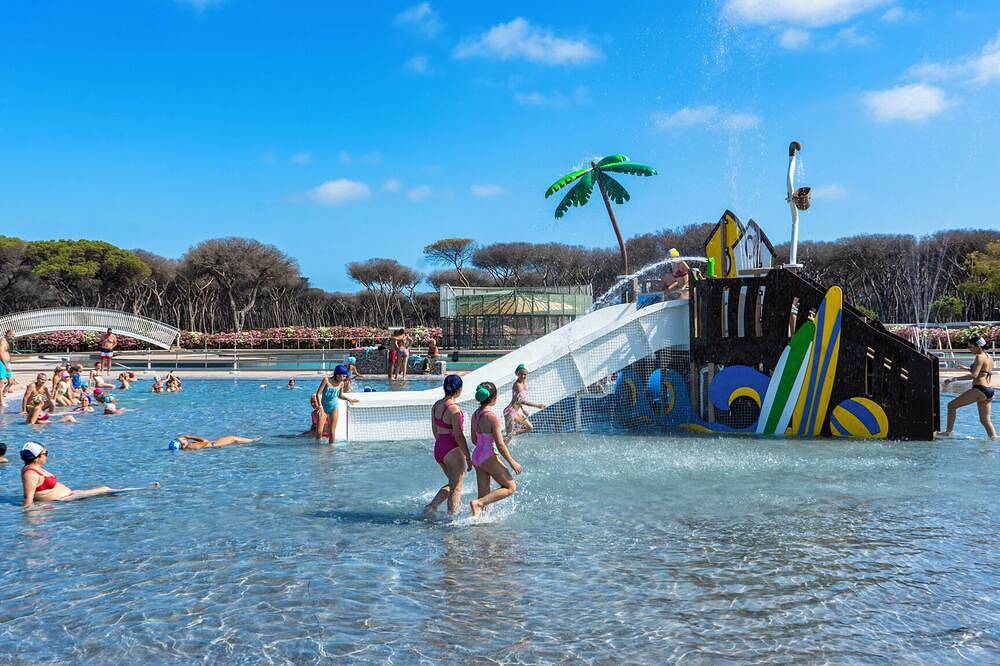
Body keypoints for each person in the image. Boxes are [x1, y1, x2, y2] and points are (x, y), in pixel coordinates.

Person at [20, 442, 146, 508]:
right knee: (104, 489)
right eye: (45, 453)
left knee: (105, 492)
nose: (47, 455)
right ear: (36, 457)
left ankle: (137, 489)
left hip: (67, 497)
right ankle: (143, 489)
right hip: (61, 501)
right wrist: (30, 520)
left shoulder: (36, 468)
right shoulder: (30, 473)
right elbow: (28, 498)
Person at [469, 382, 522, 517]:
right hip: (488, 455)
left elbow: (474, 440)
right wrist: (512, 462)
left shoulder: (475, 414)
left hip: (476, 456)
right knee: (510, 487)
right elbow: (500, 444)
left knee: (484, 494)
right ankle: (477, 504)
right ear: (494, 398)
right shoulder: (492, 417)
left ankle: (478, 523)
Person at [424, 374, 472, 515]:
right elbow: (458, 435)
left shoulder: (436, 405)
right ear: (459, 390)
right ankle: (452, 519)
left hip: (439, 447)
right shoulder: (454, 409)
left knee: (453, 482)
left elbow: (435, 429)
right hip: (452, 449)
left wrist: (441, 445)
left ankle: (432, 506)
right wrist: (468, 456)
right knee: (456, 487)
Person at [939, 335, 997, 439]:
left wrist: (953, 379)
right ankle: (993, 439)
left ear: (978, 346)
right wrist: (966, 368)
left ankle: (948, 432)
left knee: (951, 406)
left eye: (970, 347)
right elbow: (982, 372)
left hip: (979, 389)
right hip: (989, 391)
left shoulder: (979, 357)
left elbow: (974, 375)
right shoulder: (989, 357)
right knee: (986, 420)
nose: (969, 349)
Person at [314, 365, 359, 444]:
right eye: (344, 376)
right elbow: (318, 394)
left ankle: (332, 449)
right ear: (337, 375)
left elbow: (340, 395)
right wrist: (320, 406)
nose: (345, 378)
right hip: (323, 408)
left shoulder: (341, 384)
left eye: (346, 376)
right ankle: (318, 449)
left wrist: (349, 399)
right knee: (319, 432)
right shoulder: (326, 380)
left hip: (334, 407)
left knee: (332, 432)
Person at [504, 364, 546, 438]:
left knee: (529, 427)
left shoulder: (524, 385)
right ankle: (498, 442)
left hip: (516, 411)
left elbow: (518, 401)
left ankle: (508, 435)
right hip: (510, 411)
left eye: (525, 374)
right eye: (521, 374)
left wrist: (523, 410)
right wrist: (537, 405)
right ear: (517, 374)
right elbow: (521, 401)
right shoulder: (517, 385)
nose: (523, 376)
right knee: (508, 437)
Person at [167, 435, 258, 450]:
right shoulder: (191, 446)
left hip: (213, 445)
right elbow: (205, 441)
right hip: (214, 445)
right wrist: (190, 437)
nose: (184, 438)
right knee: (233, 438)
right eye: (183, 439)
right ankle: (253, 441)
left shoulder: (188, 448)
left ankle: (252, 441)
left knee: (234, 439)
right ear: (182, 444)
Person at [0, 329, 14, 405]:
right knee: (1, 383)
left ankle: (1, 397)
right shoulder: (2, 341)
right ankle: (1, 402)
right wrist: (5, 365)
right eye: (12, 335)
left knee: (11, 382)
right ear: (8, 334)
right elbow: (1, 353)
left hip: (7, 363)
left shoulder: (7, 341)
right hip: (2, 363)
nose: (13, 337)